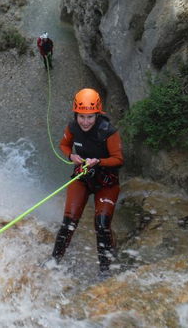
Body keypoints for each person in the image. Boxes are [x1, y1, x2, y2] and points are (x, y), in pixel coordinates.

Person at [51, 88, 124, 276]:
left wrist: (99, 162)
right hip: (83, 177)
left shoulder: (108, 131)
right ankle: (54, 261)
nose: (85, 122)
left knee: (101, 224)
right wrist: (71, 155)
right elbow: (63, 144)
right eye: (81, 117)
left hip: (106, 181)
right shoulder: (73, 127)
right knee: (69, 221)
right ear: (76, 114)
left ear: (97, 114)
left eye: (90, 117)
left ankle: (105, 270)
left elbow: (118, 159)